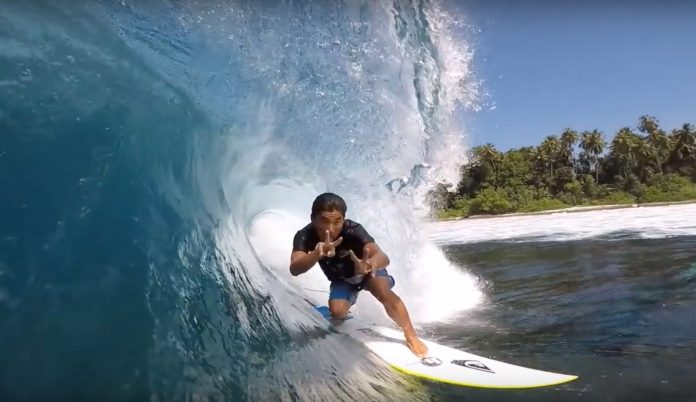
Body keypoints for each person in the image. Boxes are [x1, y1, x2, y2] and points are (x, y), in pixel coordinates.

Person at [289, 192, 428, 357]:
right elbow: (294, 269)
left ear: (343, 218)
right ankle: (338, 310)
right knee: (338, 312)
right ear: (313, 218)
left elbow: (383, 257)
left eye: (337, 221)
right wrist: (316, 254)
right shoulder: (304, 236)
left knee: (382, 290)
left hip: (368, 273)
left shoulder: (353, 230)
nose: (331, 229)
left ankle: (410, 335)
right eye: (324, 221)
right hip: (343, 279)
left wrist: (370, 264)